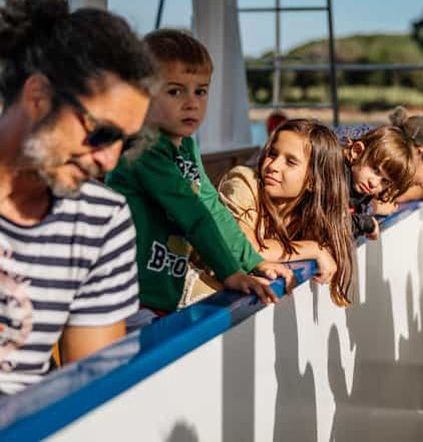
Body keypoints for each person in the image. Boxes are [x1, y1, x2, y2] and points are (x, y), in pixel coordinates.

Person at [0, 0, 156, 393]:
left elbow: (91, 388)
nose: (109, 160)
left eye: (127, 141)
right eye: (101, 133)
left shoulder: (102, 221)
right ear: (38, 96)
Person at [106, 30, 289, 318]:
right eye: (175, 91)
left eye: (200, 91)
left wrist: (252, 261)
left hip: (162, 290)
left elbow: (211, 206)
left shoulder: (186, 146)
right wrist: (230, 272)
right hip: (127, 296)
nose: (192, 102)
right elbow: (192, 212)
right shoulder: (144, 150)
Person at [219, 120, 355, 307]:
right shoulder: (243, 182)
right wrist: (315, 249)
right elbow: (247, 248)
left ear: (313, 181)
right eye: (272, 154)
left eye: (290, 162)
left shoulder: (311, 215)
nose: (273, 165)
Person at [342, 126, 416, 239]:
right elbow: (328, 225)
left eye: (385, 181)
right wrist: (366, 223)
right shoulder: (334, 177)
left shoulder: (361, 192)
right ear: (357, 151)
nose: (374, 183)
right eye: (375, 170)